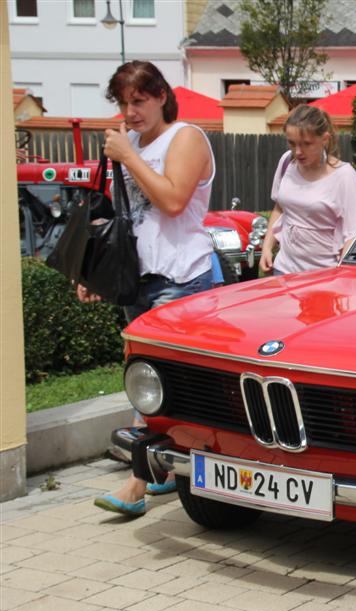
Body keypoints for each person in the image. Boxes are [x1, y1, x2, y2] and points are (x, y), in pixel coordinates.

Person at [85, 61, 216, 517]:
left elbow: (174, 201)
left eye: (138, 101)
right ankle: (162, 471)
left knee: (154, 382)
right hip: (139, 281)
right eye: (123, 103)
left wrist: (129, 157)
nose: (131, 111)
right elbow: (129, 221)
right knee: (150, 383)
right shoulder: (133, 145)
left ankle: (137, 483)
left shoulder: (186, 137)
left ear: (161, 95)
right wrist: (99, 274)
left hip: (182, 278)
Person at [259, 105, 356, 275]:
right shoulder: (287, 162)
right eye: (292, 143)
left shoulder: (343, 176)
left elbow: (355, 233)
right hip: (284, 270)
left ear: (324, 139)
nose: (298, 151)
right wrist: (267, 247)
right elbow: (280, 207)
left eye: (306, 144)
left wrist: (342, 275)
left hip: (322, 276)